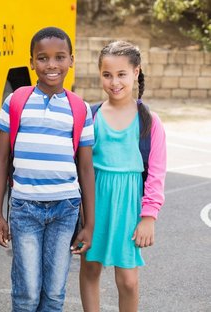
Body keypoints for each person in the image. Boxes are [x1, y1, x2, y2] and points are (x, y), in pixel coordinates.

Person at [0, 26, 96, 311]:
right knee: (26, 293)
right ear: (31, 62)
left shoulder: (80, 108)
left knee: (53, 293)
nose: (51, 65)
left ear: (71, 60)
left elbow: (86, 169)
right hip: (25, 208)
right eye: (43, 58)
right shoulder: (16, 102)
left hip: (65, 209)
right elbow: (1, 159)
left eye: (60, 57)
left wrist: (89, 224)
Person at [79, 41, 166, 312]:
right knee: (91, 269)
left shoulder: (149, 120)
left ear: (136, 72)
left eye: (121, 74)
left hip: (129, 208)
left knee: (127, 280)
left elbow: (156, 174)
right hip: (95, 204)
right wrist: (81, 214)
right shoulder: (90, 116)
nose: (114, 82)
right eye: (107, 75)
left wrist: (149, 218)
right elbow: (81, 168)